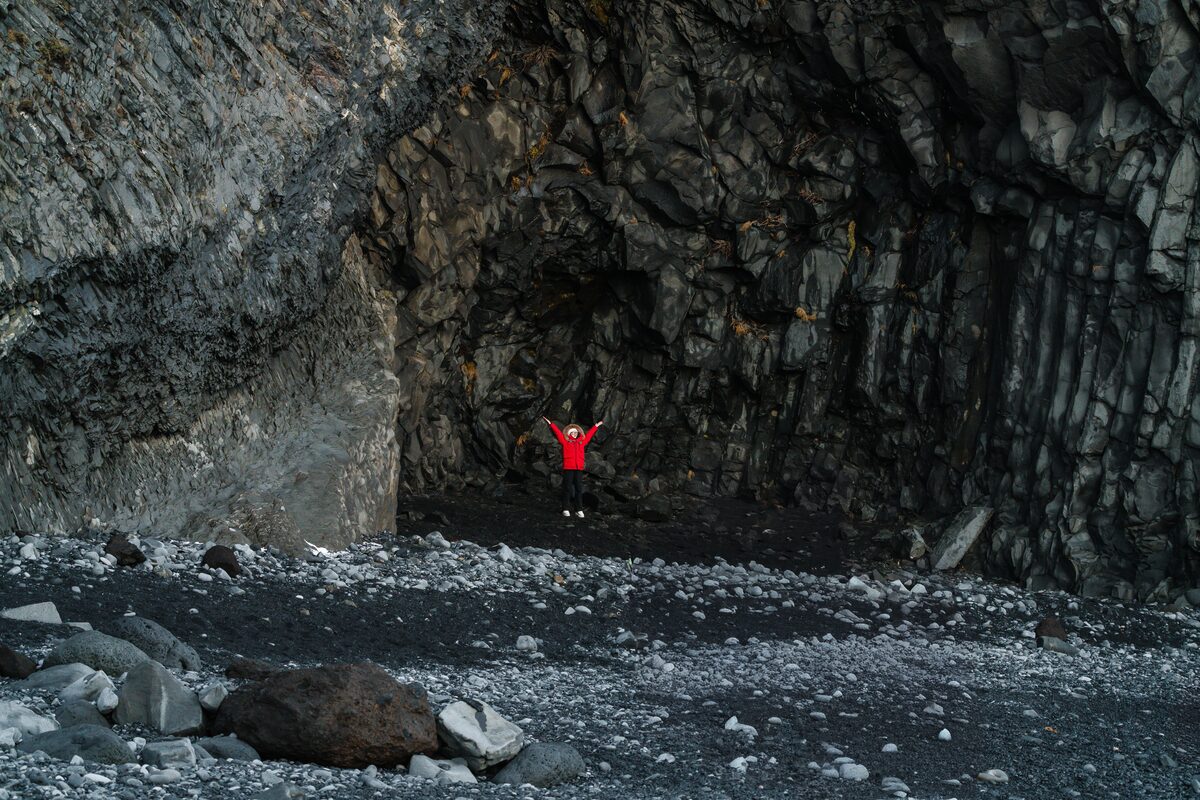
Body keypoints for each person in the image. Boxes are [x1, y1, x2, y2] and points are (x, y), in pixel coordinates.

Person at [542, 416, 604, 518]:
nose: (574, 434)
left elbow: (589, 435)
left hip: (578, 468)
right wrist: (551, 424)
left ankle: (578, 509)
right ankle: (565, 508)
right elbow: (557, 433)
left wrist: (596, 426)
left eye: (576, 433)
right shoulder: (565, 441)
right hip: (568, 468)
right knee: (567, 488)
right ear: (569, 434)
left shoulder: (582, 442)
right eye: (572, 433)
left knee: (579, 489)